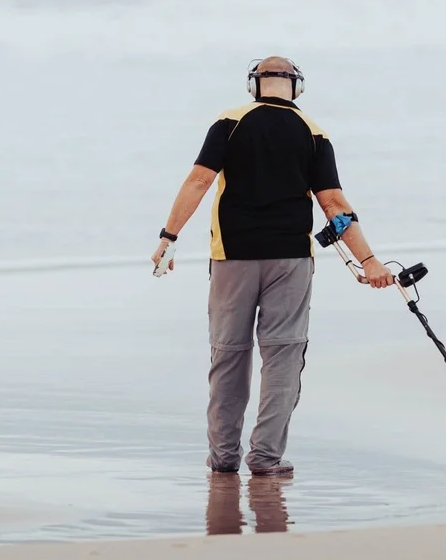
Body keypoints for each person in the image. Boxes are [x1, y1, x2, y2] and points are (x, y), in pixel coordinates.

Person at [152, 56, 394, 477]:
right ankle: (265, 457)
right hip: (291, 260)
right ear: (297, 87)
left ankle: (223, 458)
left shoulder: (230, 121)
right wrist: (368, 260)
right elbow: (334, 204)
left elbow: (199, 180)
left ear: (254, 85)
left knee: (228, 354)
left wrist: (168, 237)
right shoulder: (313, 132)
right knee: (283, 355)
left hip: (232, 257)